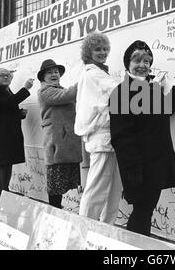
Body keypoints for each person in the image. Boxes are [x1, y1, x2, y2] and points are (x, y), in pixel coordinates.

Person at [109, 40, 175, 236]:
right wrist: (133, 170)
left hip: (157, 164)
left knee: (145, 212)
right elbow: (121, 137)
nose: (143, 65)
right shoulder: (121, 92)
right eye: (137, 60)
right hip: (140, 168)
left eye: (147, 60)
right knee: (142, 213)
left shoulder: (151, 89)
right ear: (127, 62)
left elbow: (168, 108)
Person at [74, 32, 122, 225]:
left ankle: (105, 231)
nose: (102, 52)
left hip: (109, 137)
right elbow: (117, 90)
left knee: (113, 189)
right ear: (88, 52)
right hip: (103, 137)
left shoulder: (99, 72)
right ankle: (84, 229)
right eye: (97, 49)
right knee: (97, 189)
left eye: (105, 49)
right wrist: (147, 86)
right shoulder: (93, 73)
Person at [0, 68, 34, 215]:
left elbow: (5, 110)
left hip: (6, 138)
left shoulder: (6, 91)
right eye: (2, 75)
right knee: (0, 173)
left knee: (6, 172)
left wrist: (19, 114)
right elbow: (8, 103)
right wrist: (25, 88)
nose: (6, 77)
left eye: (9, 75)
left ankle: (2, 203)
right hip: (0, 138)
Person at [37, 59, 82, 209]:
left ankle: (57, 210)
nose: (54, 74)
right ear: (43, 77)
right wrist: (84, 81)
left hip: (66, 141)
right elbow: (67, 95)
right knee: (55, 184)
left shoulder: (60, 89)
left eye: (56, 71)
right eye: (49, 72)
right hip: (57, 142)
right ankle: (54, 211)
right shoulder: (45, 91)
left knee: (61, 182)